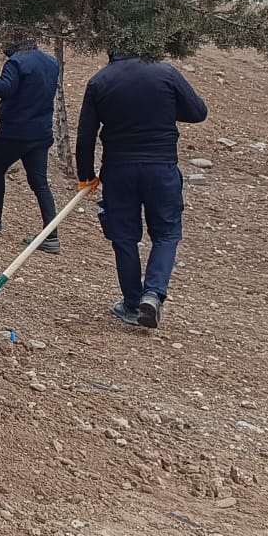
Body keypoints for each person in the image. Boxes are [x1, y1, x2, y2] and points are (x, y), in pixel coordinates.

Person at [76, 52, 209, 329]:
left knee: (124, 237)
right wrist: (166, 108)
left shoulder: (100, 81)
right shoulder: (165, 73)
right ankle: (153, 293)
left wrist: (86, 175)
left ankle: (132, 303)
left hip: (119, 169)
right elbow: (198, 112)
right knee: (167, 233)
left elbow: (86, 134)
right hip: (161, 167)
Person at [0, 28, 63, 249]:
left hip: (15, 132)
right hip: (41, 132)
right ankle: (51, 235)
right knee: (40, 182)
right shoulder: (51, 62)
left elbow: (4, 88)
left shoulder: (17, 62)